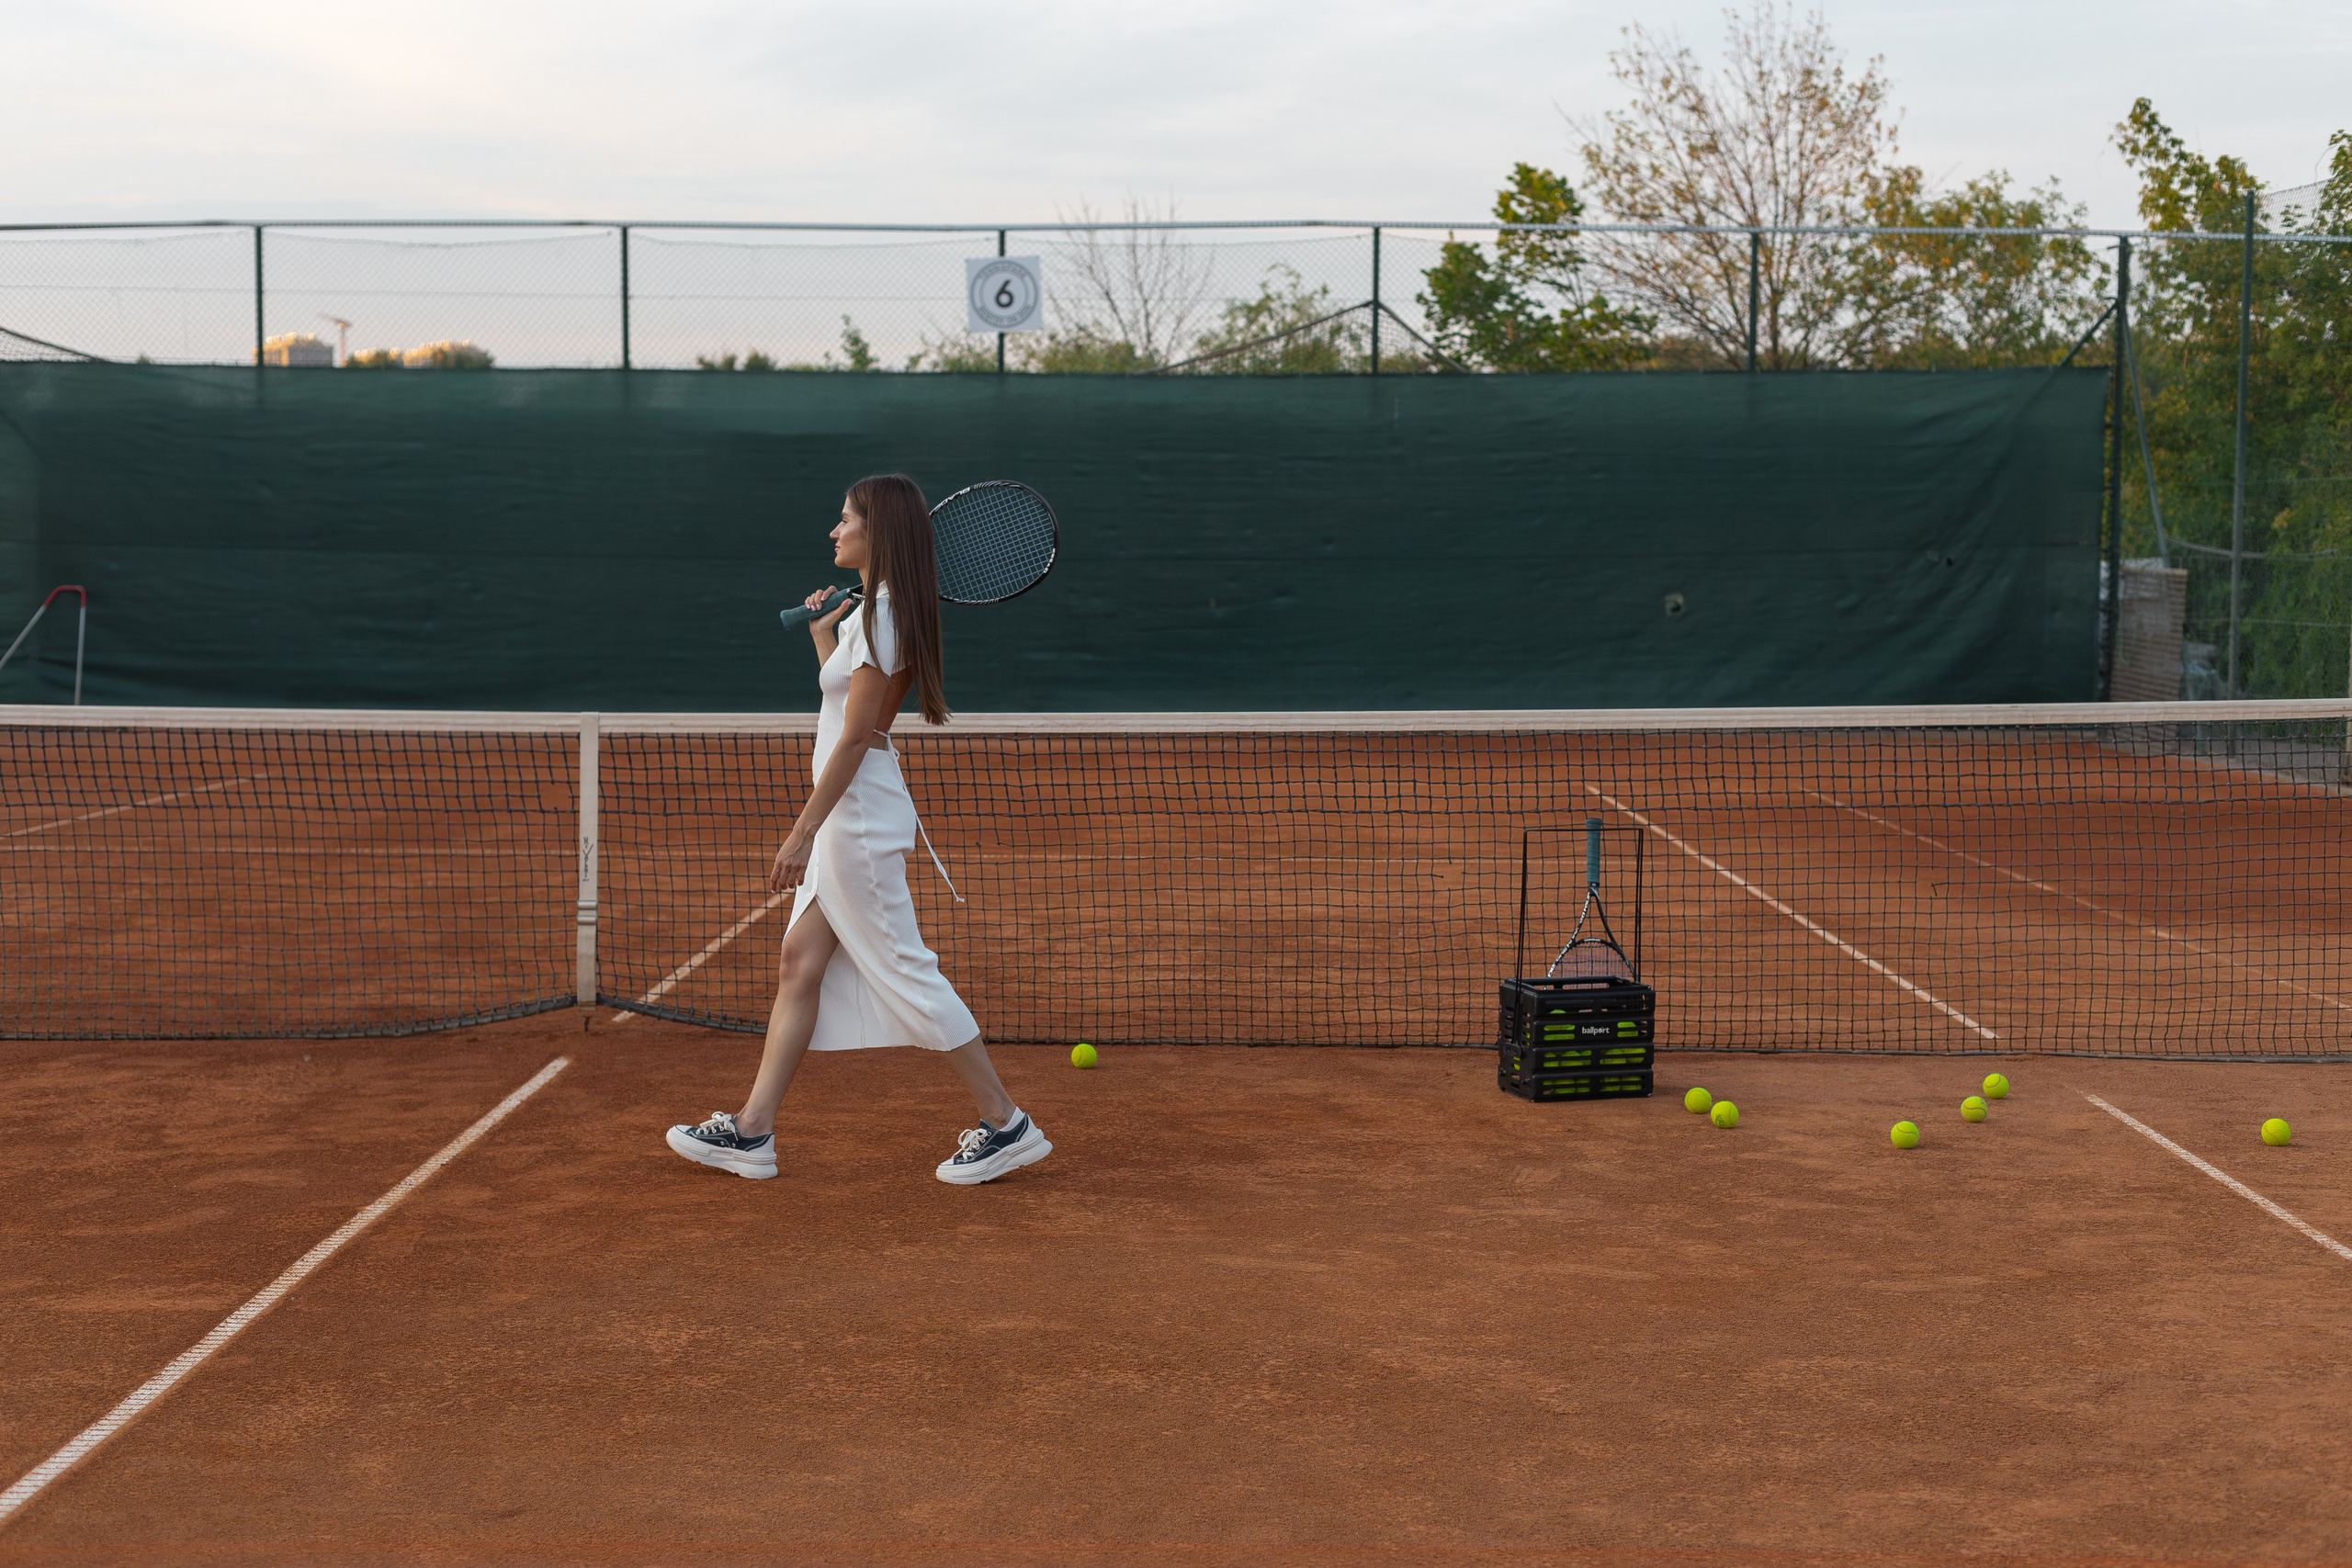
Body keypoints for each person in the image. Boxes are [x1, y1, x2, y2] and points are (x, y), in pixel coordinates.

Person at [665, 474, 1048, 1185]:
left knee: (906, 965)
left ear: (878, 534)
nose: (833, 532)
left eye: (845, 520)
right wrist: (822, 638)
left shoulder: (885, 617)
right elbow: (850, 709)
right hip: (851, 813)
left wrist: (801, 831)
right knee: (800, 964)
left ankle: (1007, 1122)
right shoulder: (869, 615)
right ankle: (752, 1133)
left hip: (856, 820)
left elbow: (855, 739)